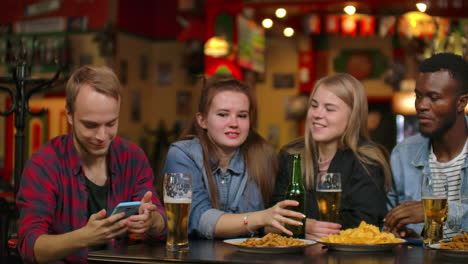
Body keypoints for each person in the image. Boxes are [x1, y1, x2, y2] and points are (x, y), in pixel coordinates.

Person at [16, 66, 167, 263]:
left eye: (111, 124)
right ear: (69, 115)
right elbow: (29, 246)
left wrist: (151, 221)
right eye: (90, 125)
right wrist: (84, 237)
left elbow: (162, 223)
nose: (102, 136)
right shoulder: (44, 164)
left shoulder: (133, 158)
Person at [162, 77, 305, 239]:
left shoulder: (264, 155)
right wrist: (260, 218)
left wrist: (298, 223)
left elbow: (268, 224)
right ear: (202, 120)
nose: (234, 123)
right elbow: (195, 220)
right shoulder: (182, 154)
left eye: (242, 116)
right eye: (223, 114)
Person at [273, 73, 393, 240]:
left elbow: (363, 226)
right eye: (314, 106)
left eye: (329, 109)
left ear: (352, 117)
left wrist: (299, 224)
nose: (317, 114)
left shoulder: (367, 160)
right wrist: (302, 225)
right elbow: (274, 216)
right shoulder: (291, 155)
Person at [385, 53, 468, 239]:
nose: (422, 105)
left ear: (461, 102)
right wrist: (400, 232)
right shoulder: (403, 154)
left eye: (434, 97)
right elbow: (387, 224)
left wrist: (435, 211)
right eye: (419, 96)